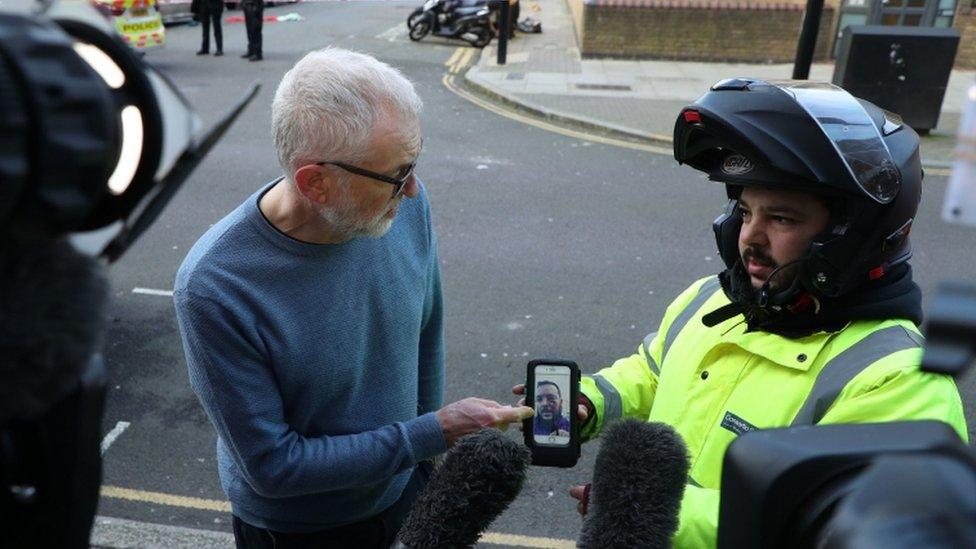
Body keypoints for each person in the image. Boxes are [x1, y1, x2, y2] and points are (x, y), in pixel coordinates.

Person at [516, 80, 968, 548]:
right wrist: (589, 399)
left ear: (851, 237)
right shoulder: (711, 299)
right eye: (745, 211)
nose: (749, 237)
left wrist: (652, 509)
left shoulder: (897, 378)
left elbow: (830, 529)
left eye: (782, 219)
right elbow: (651, 373)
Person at [173, 48, 532, 548]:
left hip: (406, 487)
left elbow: (426, 329)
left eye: (414, 163)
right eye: (395, 176)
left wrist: (422, 464)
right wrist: (430, 433)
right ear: (315, 183)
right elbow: (272, 467)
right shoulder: (216, 286)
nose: (411, 191)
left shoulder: (403, 207)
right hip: (302, 531)